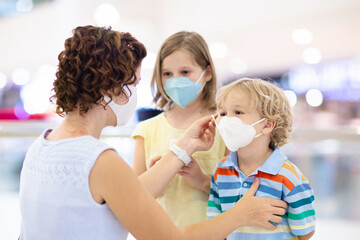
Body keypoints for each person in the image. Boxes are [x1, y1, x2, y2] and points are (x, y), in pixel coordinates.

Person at [18, 26, 288, 240]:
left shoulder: (42, 145)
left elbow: (129, 194)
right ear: (114, 89)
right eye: (134, 83)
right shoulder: (100, 160)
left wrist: (182, 149)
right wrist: (240, 215)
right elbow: (170, 236)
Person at [132, 31, 228, 227]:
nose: (175, 80)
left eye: (185, 72)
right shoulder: (146, 130)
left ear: (207, 73)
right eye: (168, 73)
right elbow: (135, 199)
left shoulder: (225, 126)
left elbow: (238, 192)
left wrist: (201, 180)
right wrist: (158, 175)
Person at [207, 78, 316, 240]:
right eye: (223, 113)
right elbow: (215, 223)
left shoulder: (288, 175)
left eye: (238, 112)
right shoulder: (221, 171)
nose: (226, 119)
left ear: (266, 125)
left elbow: (306, 231)